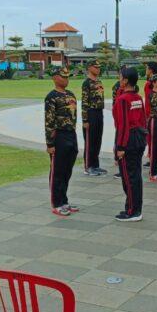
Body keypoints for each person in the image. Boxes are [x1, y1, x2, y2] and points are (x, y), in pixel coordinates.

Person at [44, 66, 79, 216]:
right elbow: (49, 121)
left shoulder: (71, 95)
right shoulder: (51, 97)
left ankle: (64, 201)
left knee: (67, 171)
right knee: (57, 171)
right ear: (55, 78)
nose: (66, 79)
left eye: (67, 77)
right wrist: (50, 143)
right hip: (59, 136)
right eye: (63, 77)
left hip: (71, 134)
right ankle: (56, 203)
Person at [114, 67, 146, 221]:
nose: (119, 79)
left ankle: (133, 211)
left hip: (128, 140)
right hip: (138, 137)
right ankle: (133, 207)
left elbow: (123, 125)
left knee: (129, 177)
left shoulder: (123, 99)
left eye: (120, 77)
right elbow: (143, 120)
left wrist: (120, 147)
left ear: (126, 80)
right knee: (135, 176)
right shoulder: (137, 97)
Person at [81, 59, 107, 176]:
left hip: (99, 112)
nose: (98, 69)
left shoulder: (99, 82)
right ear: (89, 68)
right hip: (90, 113)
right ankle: (88, 166)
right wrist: (85, 119)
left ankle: (95, 165)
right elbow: (84, 102)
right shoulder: (87, 83)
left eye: (99, 67)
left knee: (97, 140)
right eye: (96, 67)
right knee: (90, 141)